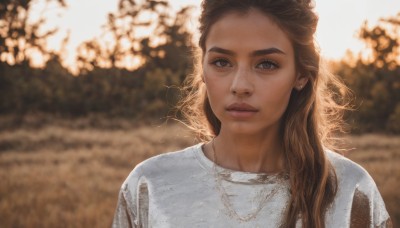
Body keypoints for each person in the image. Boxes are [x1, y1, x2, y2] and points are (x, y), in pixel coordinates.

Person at [112, 0, 392, 227]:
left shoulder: (350, 191)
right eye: (221, 62)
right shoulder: (150, 185)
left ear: (301, 75)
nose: (240, 86)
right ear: (203, 69)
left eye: (266, 64)